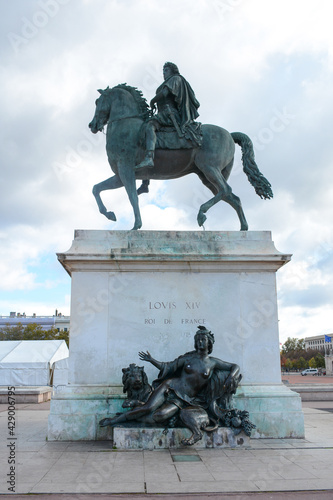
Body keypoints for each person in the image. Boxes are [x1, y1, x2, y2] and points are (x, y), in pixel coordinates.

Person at [99, 326, 241, 428]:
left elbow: (234, 366)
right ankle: (115, 420)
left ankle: (137, 406)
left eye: (203, 339)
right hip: (170, 386)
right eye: (197, 339)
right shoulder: (188, 358)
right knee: (148, 408)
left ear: (209, 342)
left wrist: (231, 377)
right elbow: (168, 367)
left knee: (160, 415)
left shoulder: (213, 362)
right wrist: (152, 360)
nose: (200, 342)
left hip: (184, 399)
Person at [135, 62, 202, 173]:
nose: (164, 73)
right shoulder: (169, 81)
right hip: (163, 113)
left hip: (169, 114)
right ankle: (145, 180)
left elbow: (165, 93)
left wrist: (153, 100)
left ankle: (149, 157)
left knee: (149, 126)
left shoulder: (175, 78)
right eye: (163, 71)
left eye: (166, 70)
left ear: (173, 70)